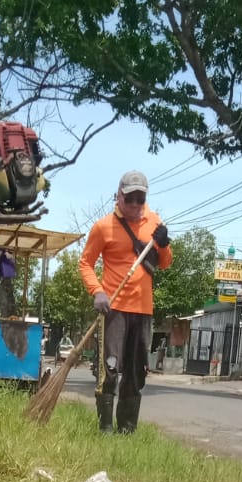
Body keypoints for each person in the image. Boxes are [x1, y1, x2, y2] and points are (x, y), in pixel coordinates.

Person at [78, 171, 173, 433]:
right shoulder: (103, 227)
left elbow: (165, 263)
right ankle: (105, 428)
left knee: (135, 373)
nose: (134, 205)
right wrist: (97, 291)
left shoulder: (154, 222)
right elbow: (85, 263)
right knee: (109, 369)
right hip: (114, 308)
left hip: (143, 311)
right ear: (119, 195)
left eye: (139, 199)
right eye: (129, 198)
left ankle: (127, 430)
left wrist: (163, 244)